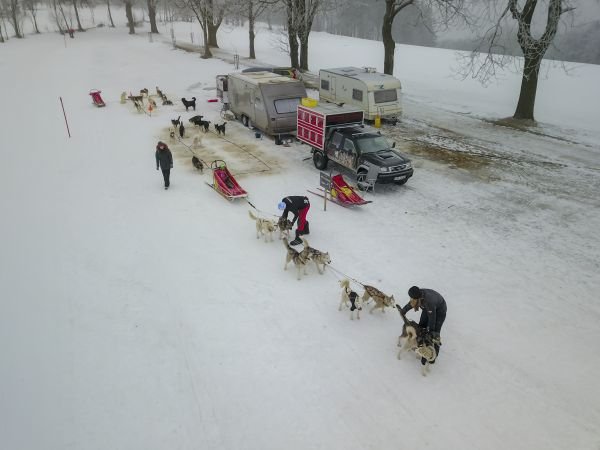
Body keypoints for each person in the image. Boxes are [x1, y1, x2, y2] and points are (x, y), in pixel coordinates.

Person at [399, 286, 447, 359]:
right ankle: (419, 345)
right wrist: (404, 311)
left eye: (411, 298)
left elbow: (432, 319)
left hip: (440, 310)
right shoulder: (418, 295)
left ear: (417, 298)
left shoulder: (428, 301)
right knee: (421, 326)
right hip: (428, 307)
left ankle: (432, 356)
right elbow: (412, 303)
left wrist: (430, 332)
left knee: (434, 333)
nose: (410, 299)